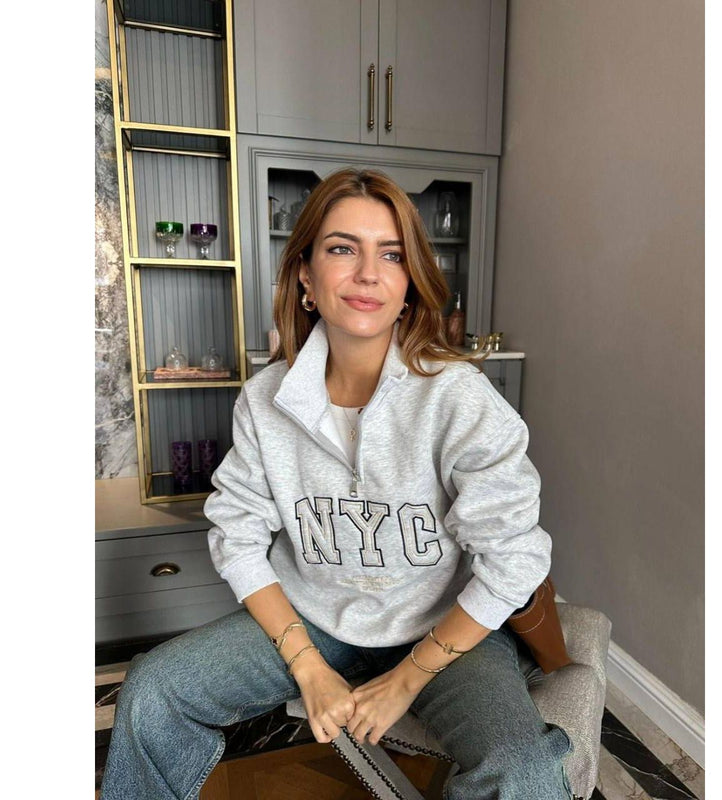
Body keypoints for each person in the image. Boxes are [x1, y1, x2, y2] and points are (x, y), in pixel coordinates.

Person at [100, 168, 573, 799]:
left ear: (409, 284)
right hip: (313, 616)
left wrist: (407, 678)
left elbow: (514, 561)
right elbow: (237, 535)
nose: (368, 273)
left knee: (524, 770)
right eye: (343, 248)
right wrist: (307, 664)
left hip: (441, 628)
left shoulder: (458, 398)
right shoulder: (266, 400)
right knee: (153, 690)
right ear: (305, 274)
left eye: (392, 254)